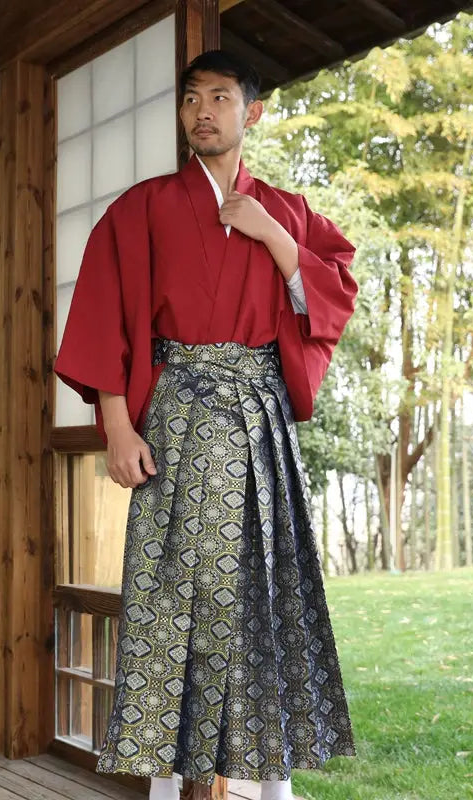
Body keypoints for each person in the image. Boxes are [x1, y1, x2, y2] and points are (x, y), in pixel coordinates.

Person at [54, 49, 358, 800]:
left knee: (260, 596)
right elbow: (101, 317)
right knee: (171, 601)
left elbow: (332, 293)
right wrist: (119, 428)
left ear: (250, 112)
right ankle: (173, 786)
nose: (203, 112)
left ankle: (267, 786)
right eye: (192, 98)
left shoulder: (286, 211)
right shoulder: (143, 207)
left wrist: (272, 237)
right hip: (177, 423)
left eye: (221, 97)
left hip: (259, 425)